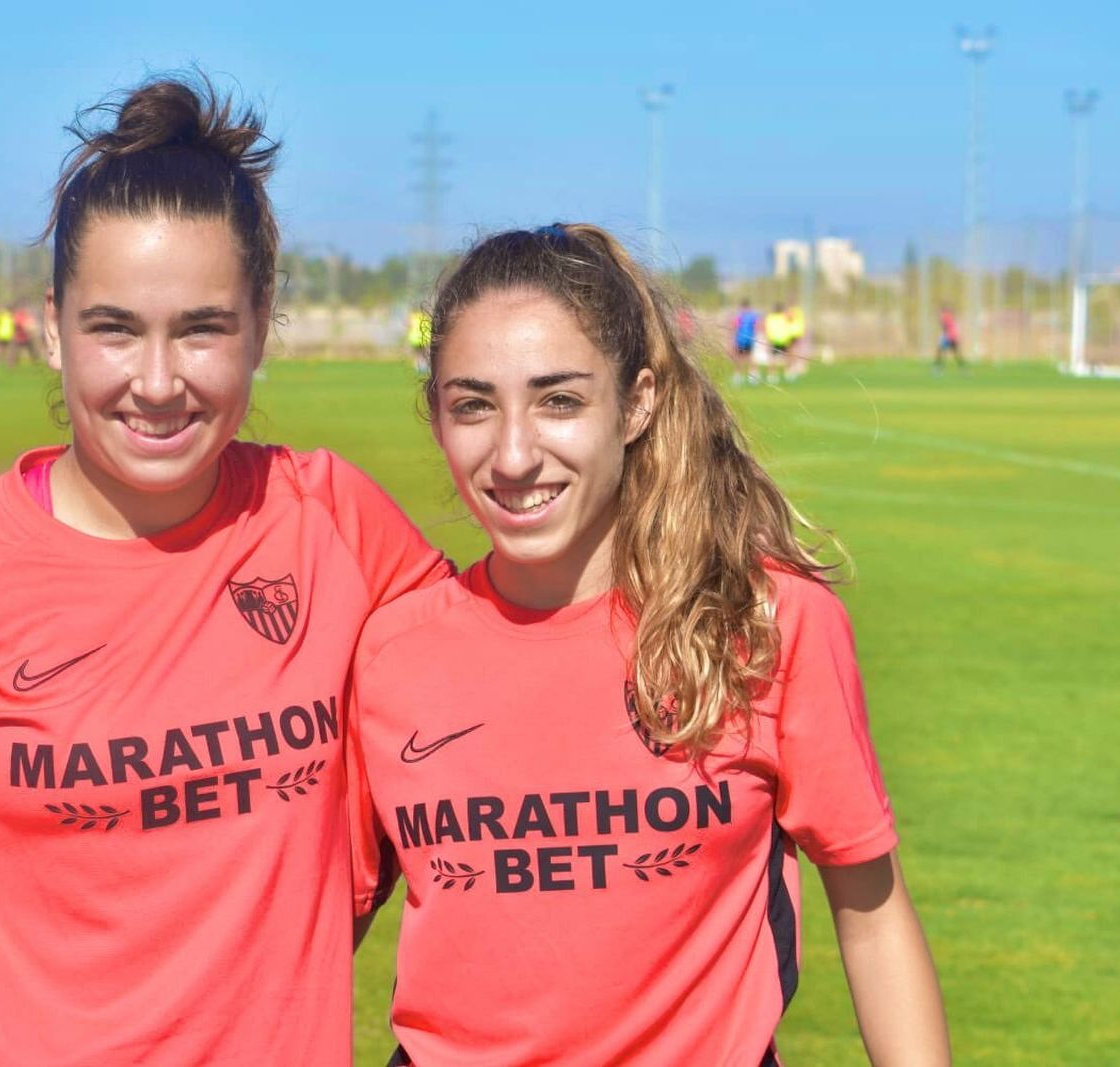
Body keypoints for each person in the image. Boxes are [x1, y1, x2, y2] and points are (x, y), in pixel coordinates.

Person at [0, 73, 449, 1067]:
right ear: (52, 327)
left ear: (260, 325)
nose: (155, 382)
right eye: (113, 328)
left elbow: (520, 677)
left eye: (200, 328)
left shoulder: (334, 525)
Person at [348, 223, 950, 1066]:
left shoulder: (763, 625)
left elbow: (873, 912)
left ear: (636, 403)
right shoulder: (388, 655)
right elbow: (302, 935)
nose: (514, 453)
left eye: (559, 399)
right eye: (474, 404)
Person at [763, 301, 792, 384]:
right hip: (784, 339)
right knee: (785, 357)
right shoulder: (784, 317)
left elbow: (767, 329)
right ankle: (787, 374)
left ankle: (772, 375)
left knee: (772, 358)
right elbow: (791, 319)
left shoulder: (770, 317)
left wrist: (768, 339)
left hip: (774, 339)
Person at [731, 297, 758, 384]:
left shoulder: (739, 316)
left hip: (741, 339)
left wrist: (732, 340)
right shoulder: (753, 316)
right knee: (749, 357)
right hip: (750, 339)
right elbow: (756, 327)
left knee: (740, 358)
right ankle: (752, 376)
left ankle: (739, 376)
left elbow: (735, 327)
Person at [936, 304, 966, 373]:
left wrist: (944, 336)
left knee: (941, 351)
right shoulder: (949, 316)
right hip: (952, 336)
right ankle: (963, 367)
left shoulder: (946, 317)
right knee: (954, 352)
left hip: (949, 337)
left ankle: (938, 368)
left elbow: (945, 327)